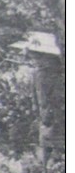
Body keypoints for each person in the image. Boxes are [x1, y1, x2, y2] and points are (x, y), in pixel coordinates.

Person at [12, 32, 65, 163]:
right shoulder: (40, 74)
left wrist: (46, 117)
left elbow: (47, 100)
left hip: (54, 120)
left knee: (54, 152)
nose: (32, 59)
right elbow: (38, 100)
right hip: (50, 120)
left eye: (35, 56)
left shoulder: (48, 74)